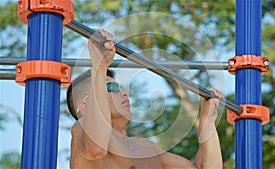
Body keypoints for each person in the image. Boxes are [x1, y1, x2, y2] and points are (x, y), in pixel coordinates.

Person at [67, 29, 223, 169]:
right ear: (85, 106)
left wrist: (207, 121)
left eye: (122, 88)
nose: (125, 93)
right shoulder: (80, 128)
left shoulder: (145, 148)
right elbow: (96, 149)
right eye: (112, 88)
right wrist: (100, 67)